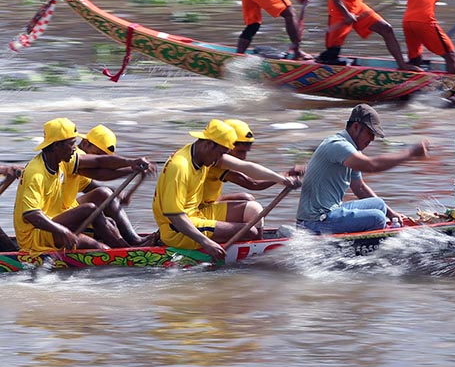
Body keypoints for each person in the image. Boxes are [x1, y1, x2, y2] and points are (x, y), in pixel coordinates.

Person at [152, 119, 301, 260]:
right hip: (176, 229)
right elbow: (175, 216)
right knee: (250, 231)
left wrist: (282, 179)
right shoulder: (180, 166)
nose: (222, 159)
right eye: (221, 153)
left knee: (253, 209)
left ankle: (254, 248)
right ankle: (250, 257)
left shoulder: (202, 154)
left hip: (198, 213)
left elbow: (247, 168)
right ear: (210, 144)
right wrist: (207, 243)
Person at [13, 118, 148, 253]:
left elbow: (99, 162)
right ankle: (127, 252)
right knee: (98, 237)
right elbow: (31, 215)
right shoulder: (36, 174)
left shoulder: (64, 161)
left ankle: (128, 247)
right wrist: (64, 231)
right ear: (56, 146)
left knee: (107, 217)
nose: (74, 148)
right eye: (71, 144)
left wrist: (131, 163)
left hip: (57, 219)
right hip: (36, 235)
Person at [296, 104, 429, 234]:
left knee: (379, 205)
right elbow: (371, 165)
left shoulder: (351, 150)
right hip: (315, 221)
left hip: (331, 212)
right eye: (370, 133)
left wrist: (392, 214)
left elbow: (359, 187)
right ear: (356, 127)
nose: (372, 139)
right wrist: (410, 153)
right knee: (377, 218)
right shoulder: (337, 145)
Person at [63, 124, 156, 247]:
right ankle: (132, 243)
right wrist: (131, 167)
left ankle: (128, 241)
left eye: (105, 156)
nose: (98, 159)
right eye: (98, 154)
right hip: (58, 217)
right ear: (85, 143)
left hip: (66, 209)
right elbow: (99, 171)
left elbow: (95, 188)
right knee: (104, 194)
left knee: (106, 196)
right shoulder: (74, 156)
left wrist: (117, 195)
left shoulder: (80, 165)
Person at [201, 119, 302, 205]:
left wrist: (284, 176)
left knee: (247, 198)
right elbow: (252, 183)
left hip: (210, 200)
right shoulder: (215, 159)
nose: (243, 157)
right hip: (199, 207)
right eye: (240, 151)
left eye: (246, 152)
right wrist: (284, 177)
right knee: (250, 206)